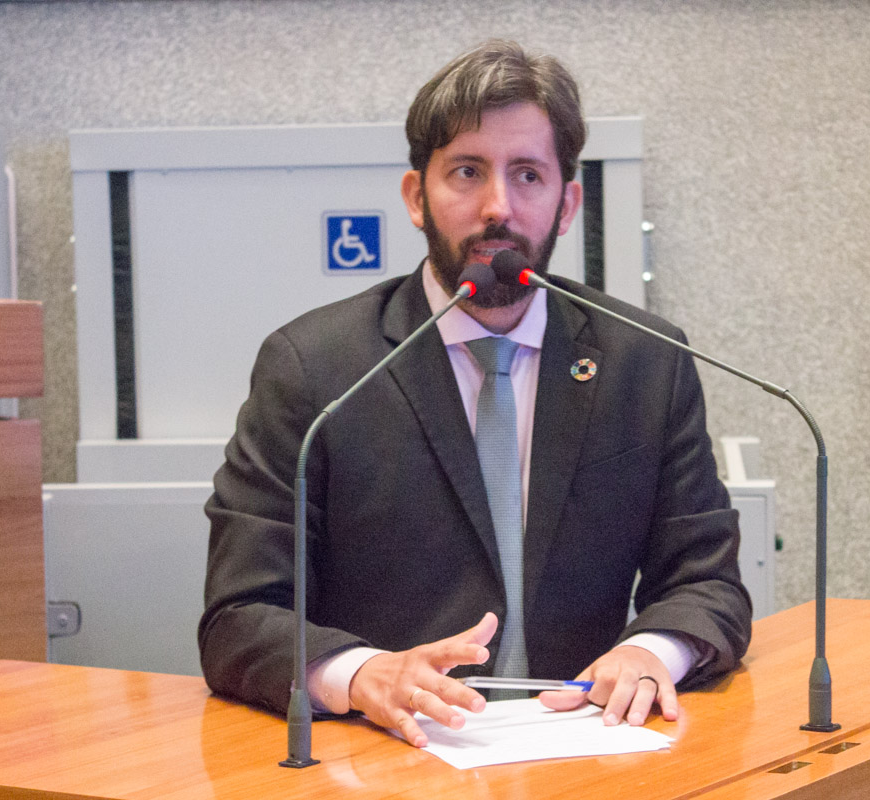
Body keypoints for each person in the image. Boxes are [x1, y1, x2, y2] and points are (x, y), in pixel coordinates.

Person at [199, 39, 751, 748]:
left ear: (567, 203)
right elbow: (238, 616)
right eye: (467, 172)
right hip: (387, 756)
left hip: (588, 751)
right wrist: (362, 674)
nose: (498, 207)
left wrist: (652, 652)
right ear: (416, 197)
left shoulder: (644, 361)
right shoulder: (315, 369)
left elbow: (708, 583)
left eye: (528, 175)